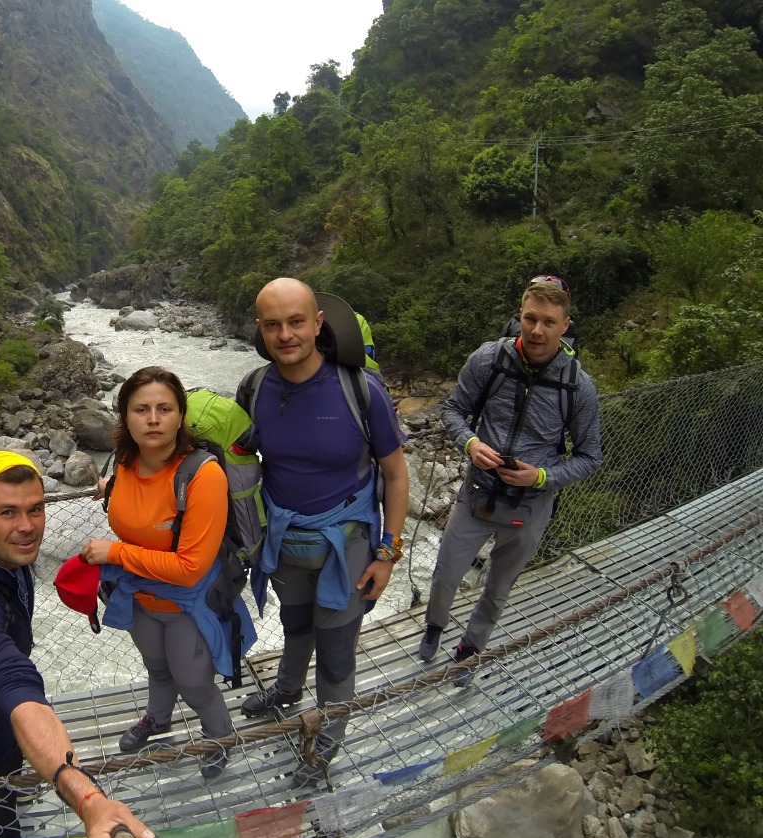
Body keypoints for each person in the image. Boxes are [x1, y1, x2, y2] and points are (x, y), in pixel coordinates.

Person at [0, 450, 153, 838]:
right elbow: (13, 681)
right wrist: (89, 801)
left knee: (9, 766)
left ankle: (10, 783)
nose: (27, 527)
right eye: (8, 512)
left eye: (36, 509)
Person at [236, 278, 409, 787]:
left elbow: (396, 474)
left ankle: (324, 748)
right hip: (287, 541)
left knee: (336, 653)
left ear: (318, 324)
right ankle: (287, 689)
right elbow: (222, 447)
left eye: (296, 322)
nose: (286, 334)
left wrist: (388, 552)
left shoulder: (361, 391)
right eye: (273, 324)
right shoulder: (255, 388)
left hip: (348, 545)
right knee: (295, 626)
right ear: (261, 331)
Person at [418, 278, 603, 684]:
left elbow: (590, 457)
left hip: (531, 504)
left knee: (498, 587)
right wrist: (469, 443)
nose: (537, 331)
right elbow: (454, 409)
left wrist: (541, 476)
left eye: (548, 322)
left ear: (565, 325)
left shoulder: (578, 386)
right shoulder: (489, 360)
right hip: (478, 492)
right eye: (530, 319)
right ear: (518, 317)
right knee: (446, 572)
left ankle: (471, 649)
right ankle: (434, 625)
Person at [79, 367, 256, 780]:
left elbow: (191, 568)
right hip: (141, 596)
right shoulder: (124, 461)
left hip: (187, 603)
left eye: (164, 408)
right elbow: (137, 508)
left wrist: (117, 552)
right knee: (158, 670)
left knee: (194, 683)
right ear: (126, 417)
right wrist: (111, 491)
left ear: (181, 416)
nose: (153, 419)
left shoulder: (202, 475)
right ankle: (158, 719)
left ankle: (219, 738)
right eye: (141, 409)